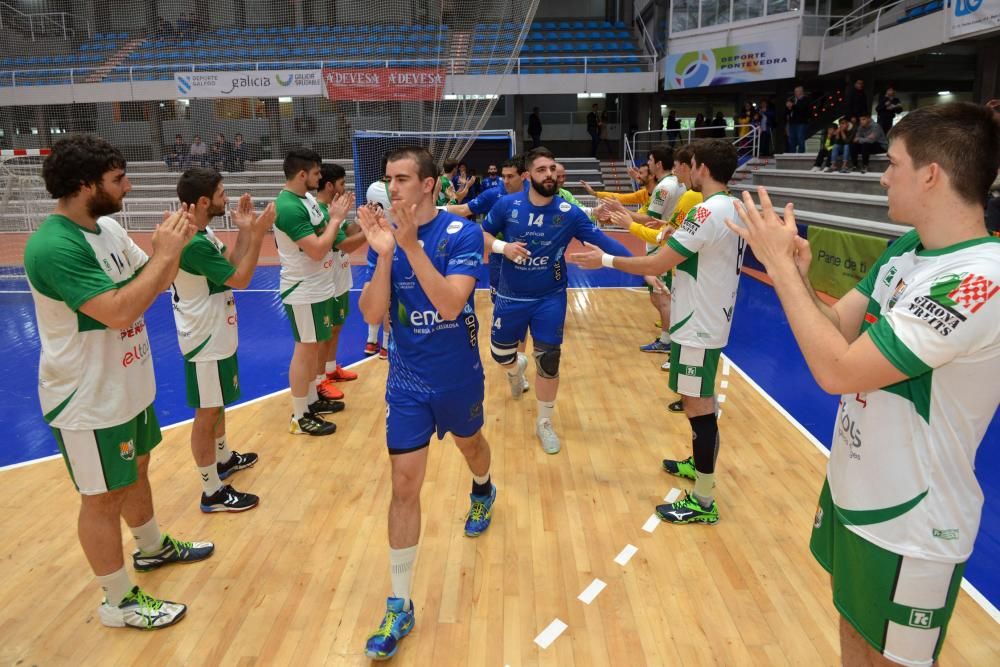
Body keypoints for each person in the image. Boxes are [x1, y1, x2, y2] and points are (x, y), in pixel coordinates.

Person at [729, 101, 1000, 667]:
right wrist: (800, 277)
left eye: (893, 163)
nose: (882, 175)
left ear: (931, 175)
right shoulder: (908, 250)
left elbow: (838, 371)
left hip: (914, 523)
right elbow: (836, 332)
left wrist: (778, 269)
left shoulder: (979, 278)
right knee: (852, 637)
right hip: (858, 493)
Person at [24, 134, 214, 629]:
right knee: (102, 496)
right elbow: (120, 309)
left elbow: (157, 276)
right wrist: (165, 255)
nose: (127, 186)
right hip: (87, 398)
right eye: (117, 178)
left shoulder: (105, 229)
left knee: (137, 469)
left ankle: (150, 549)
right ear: (85, 185)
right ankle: (117, 601)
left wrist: (176, 248)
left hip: (126, 382)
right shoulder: (52, 245)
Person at [356, 147, 496, 661]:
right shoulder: (385, 244)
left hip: (458, 378)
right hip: (408, 383)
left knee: (472, 448)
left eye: (403, 179)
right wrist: (387, 255)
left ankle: (483, 488)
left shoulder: (462, 236)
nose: (392, 189)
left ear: (431, 185)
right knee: (404, 485)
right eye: (388, 179)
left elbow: (451, 304)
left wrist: (411, 247)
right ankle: (399, 602)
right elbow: (372, 313)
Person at [569, 139, 744, 524]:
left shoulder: (705, 211)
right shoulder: (733, 206)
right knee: (698, 400)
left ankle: (703, 499)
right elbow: (675, 241)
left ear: (700, 167)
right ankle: (698, 468)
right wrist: (629, 223)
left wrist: (606, 259)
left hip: (698, 321)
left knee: (698, 405)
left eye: (692, 164)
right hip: (706, 314)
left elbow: (665, 256)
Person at [482, 147, 632, 454]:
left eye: (552, 169)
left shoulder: (569, 213)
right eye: (541, 170)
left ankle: (544, 422)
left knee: (549, 361)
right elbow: (479, 234)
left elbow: (604, 241)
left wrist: (644, 270)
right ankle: (515, 368)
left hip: (550, 296)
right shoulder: (506, 205)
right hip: (510, 297)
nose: (549, 174)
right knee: (501, 356)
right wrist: (502, 247)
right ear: (527, 177)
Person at [172, 167, 274, 512]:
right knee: (206, 412)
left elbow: (230, 264)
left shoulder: (201, 232)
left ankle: (224, 457)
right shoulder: (194, 243)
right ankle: (211, 491)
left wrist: (245, 231)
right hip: (203, 338)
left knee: (216, 404)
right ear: (203, 201)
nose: (226, 198)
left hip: (215, 331)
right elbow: (241, 278)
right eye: (220, 194)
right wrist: (260, 234)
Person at [273, 148, 348, 436]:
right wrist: (336, 219)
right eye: (317, 173)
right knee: (304, 351)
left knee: (314, 346)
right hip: (302, 288)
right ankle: (299, 415)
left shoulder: (305, 200)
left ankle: (312, 401)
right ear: (302, 174)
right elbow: (317, 249)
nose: (320, 176)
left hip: (319, 285)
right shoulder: (289, 207)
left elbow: (325, 240)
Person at [312, 163, 368, 402]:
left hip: (340, 277)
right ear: (329, 185)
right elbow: (346, 245)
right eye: (342, 183)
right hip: (326, 281)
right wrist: (372, 231)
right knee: (323, 334)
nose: (345, 188)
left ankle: (331, 368)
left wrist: (364, 221)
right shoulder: (321, 212)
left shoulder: (332, 210)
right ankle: (318, 380)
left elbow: (347, 232)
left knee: (335, 327)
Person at [788, 86, 810, 153]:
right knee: (791, 139)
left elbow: (802, 108)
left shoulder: (806, 99)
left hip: (801, 123)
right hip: (792, 123)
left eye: (796, 91)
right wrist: (789, 107)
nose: (795, 93)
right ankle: (792, 154)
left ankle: (801, 154)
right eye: (794, 91)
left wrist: (793, 105)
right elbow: (790, 111)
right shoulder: (794, 100)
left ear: (801, 92)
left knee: (800, 138)